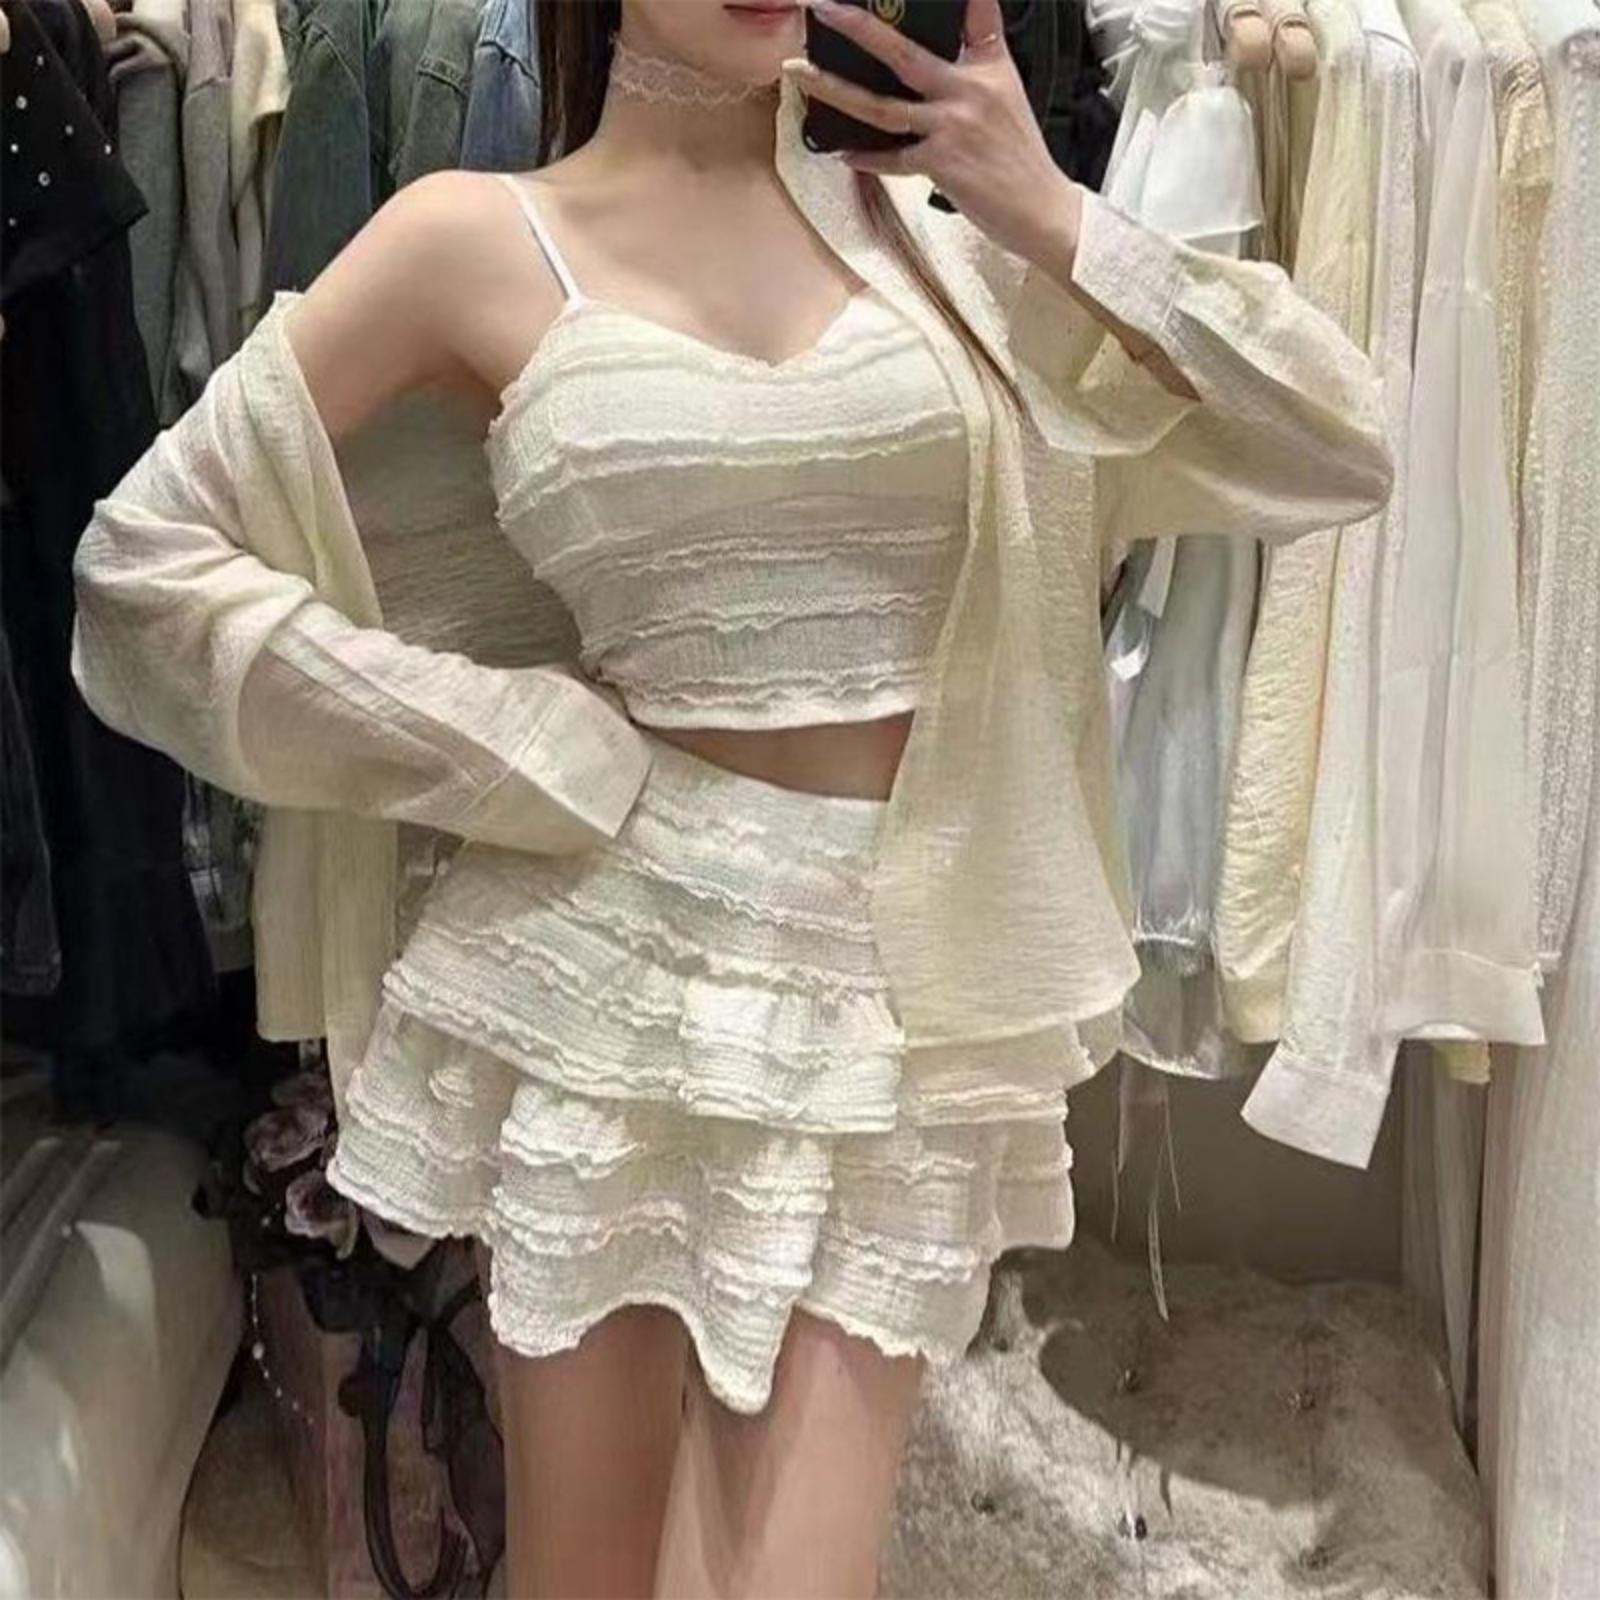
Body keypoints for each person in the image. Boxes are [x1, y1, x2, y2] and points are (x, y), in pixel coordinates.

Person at [70, 0, 1392, 1592]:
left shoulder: (942, 247)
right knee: (588, 1567)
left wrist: (1047, 209)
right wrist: (502, 739)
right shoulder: (471, 242)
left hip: (887, 996)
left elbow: (1336, 441)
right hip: (608, 968)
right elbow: (142, 570)